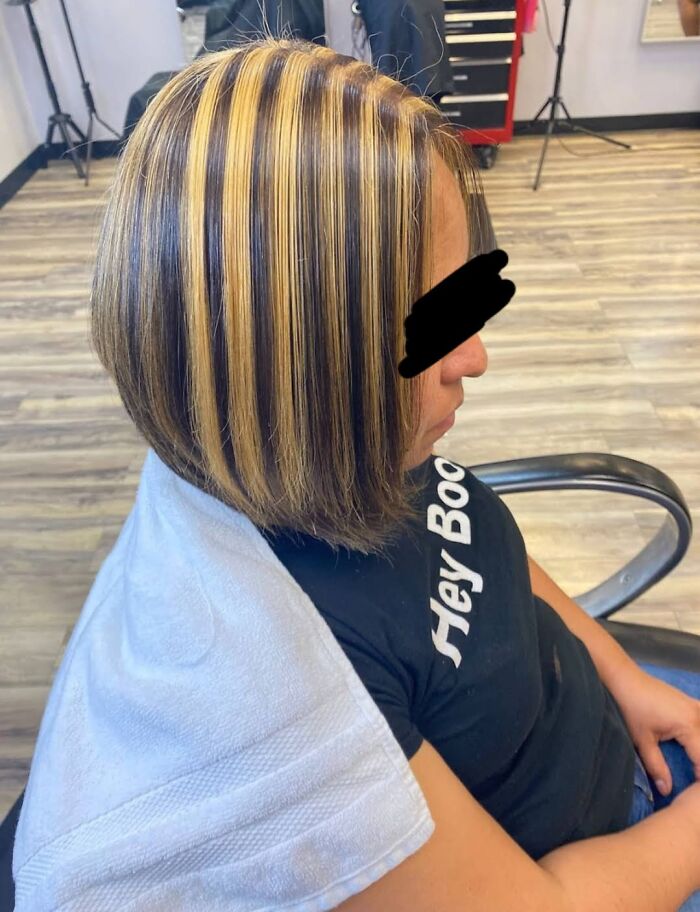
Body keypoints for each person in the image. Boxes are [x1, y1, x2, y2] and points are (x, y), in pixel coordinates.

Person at [15, 33, 700, 912]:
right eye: (435, 324)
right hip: (602, 855)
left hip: (603, 718)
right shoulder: (281, 703)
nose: (477, 358)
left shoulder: (311, 441)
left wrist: (620, 673)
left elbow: (468, 548)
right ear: (288, 368)